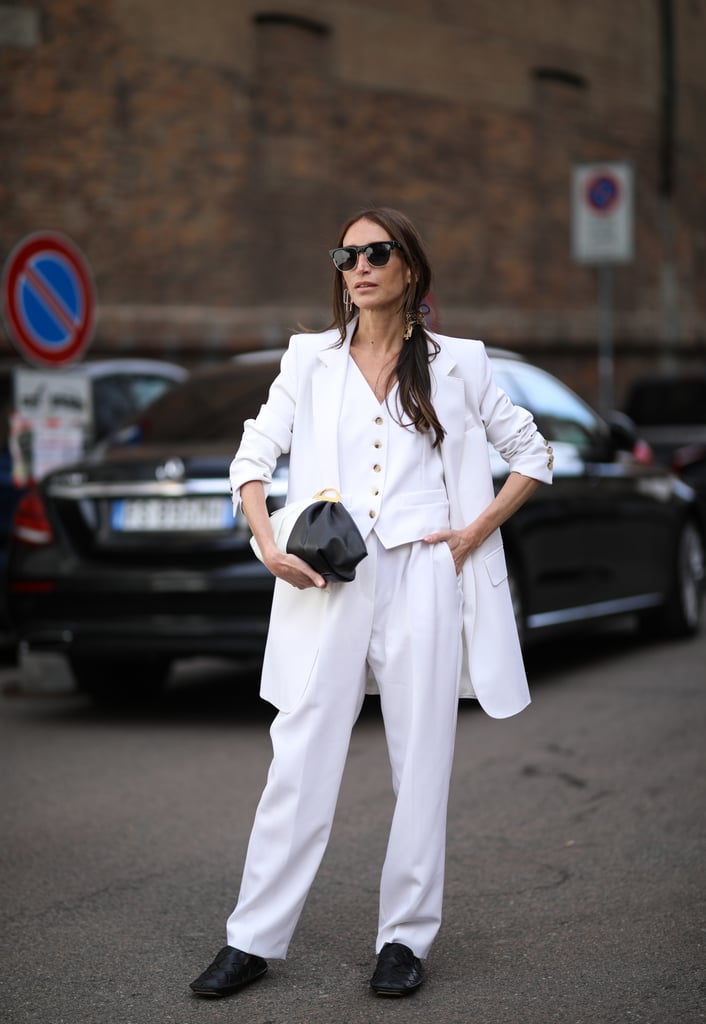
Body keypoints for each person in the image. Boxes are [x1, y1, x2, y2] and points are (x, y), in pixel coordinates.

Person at [190, 207, 553, 1000]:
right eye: (347, 254)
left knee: (422, 760)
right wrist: (267, 541)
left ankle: (404, 939)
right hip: (330, 579)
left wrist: (472, 532)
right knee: (300, 757)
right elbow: (254, 453)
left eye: (376, 252)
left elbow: (532, 454)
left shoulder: (459, 364)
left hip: (425, 573)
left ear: (410, 269)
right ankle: (251, 938)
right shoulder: (310, 360)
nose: (359, 265)